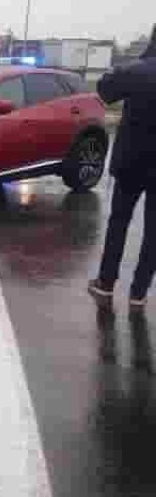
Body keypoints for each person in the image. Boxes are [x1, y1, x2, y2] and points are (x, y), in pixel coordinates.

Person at [89, 25, 156, 309]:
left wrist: (135, 63)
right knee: (155, 232)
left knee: (119, 222)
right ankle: (139, 293)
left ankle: (106, 283)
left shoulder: (137, 70)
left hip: (130, 162)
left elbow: (104, 89)